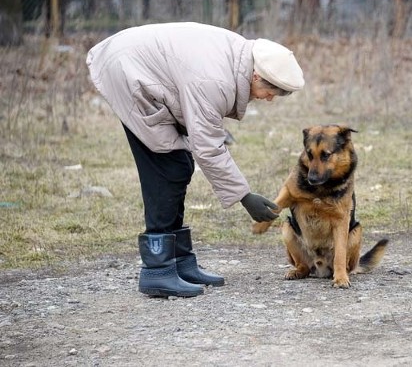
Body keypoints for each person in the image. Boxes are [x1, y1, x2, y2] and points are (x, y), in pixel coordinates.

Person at [86, 22, 305, 298]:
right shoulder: (216, 81)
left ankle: (179, 262)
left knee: (179, 165)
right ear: (256, 76)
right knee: (167, 169)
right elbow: (208, 147)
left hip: (142, 67)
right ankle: (157, 270)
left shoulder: (236, 62)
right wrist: (244, 196)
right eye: (271, 92)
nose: (270, 99)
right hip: (130, 73)